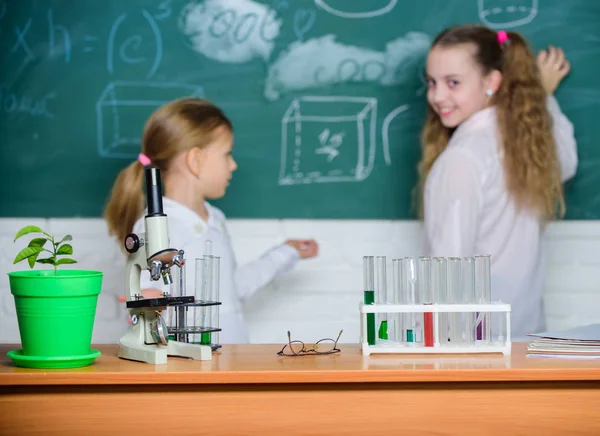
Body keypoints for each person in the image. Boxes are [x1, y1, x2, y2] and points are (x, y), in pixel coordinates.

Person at [104, 98, 319, 344]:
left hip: (231, 365)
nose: (233, 164)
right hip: (191, 373)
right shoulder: (157, 226)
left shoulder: (215, 219)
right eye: (227, 154)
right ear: (195, 160)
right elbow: (147, 297)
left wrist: (285, 253)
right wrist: (148, 300)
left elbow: (232, 289)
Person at [418, 24, 577, 337]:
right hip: (526, 336)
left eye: (453, 83)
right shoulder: (529, 145)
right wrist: (543, 97)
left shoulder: (463, 158)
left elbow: (446, 271)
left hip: (472, 345)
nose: (437, 96)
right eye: (432, 82)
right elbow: (566, 162)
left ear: (492, 81)